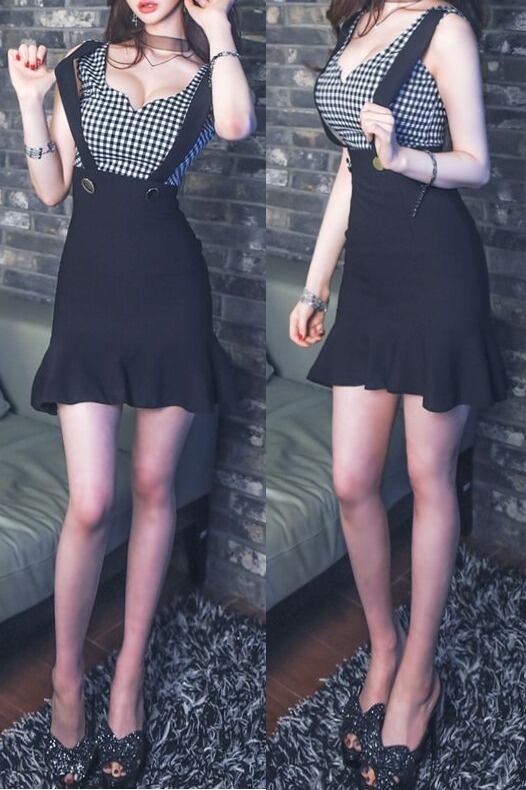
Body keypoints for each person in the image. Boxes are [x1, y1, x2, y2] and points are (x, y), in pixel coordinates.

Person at [7, 0, 256, 785]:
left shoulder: (210, 72)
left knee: (154, 487)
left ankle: (128, 678)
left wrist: (218, 25)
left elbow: (238, 125)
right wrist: (29, 102)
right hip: (88, 296)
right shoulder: (84, 63)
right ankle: (66, 678)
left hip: (171, 295)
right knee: (91, 501)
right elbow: (52, 188)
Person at [288, 1, 507, 787]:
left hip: (438, 272)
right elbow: (350, 168)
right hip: (371, 284)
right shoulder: (357, 22)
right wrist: (316, 284)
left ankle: (418, 677)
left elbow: (477, 163)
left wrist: (408, 156)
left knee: (426, 477)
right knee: (352, 480)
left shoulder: (445, 28)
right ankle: (383, 646)